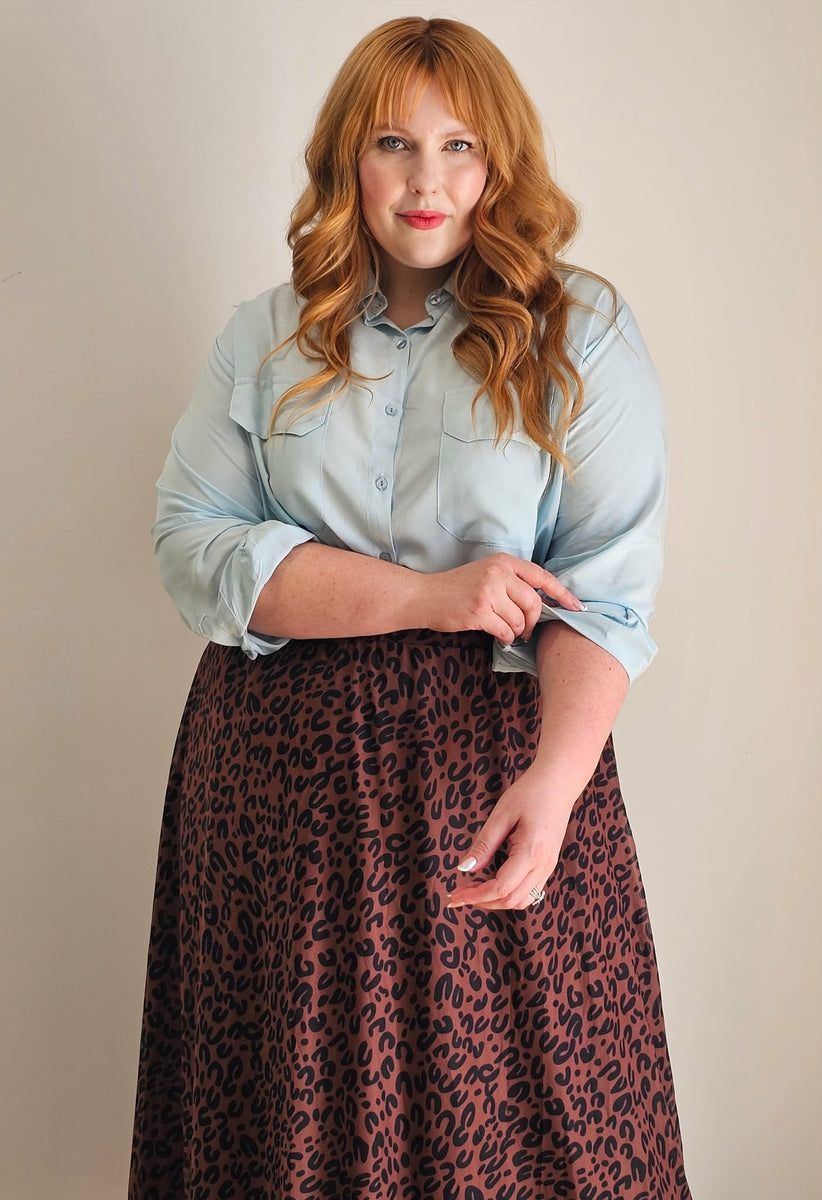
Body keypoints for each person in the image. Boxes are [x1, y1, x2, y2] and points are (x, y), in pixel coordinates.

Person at [129, 15, 692, 1200]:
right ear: (349, 160)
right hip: (276, 790)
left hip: (496, 772)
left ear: (501, 165)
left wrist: (556, 786)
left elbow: (605, 592)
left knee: (536, 1129)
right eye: (394, 143)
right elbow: (193, 545)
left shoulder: (574, 331)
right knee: (279, 1124)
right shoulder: (265, 338)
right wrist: (429, 595)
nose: (427, 181)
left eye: (459, 147)